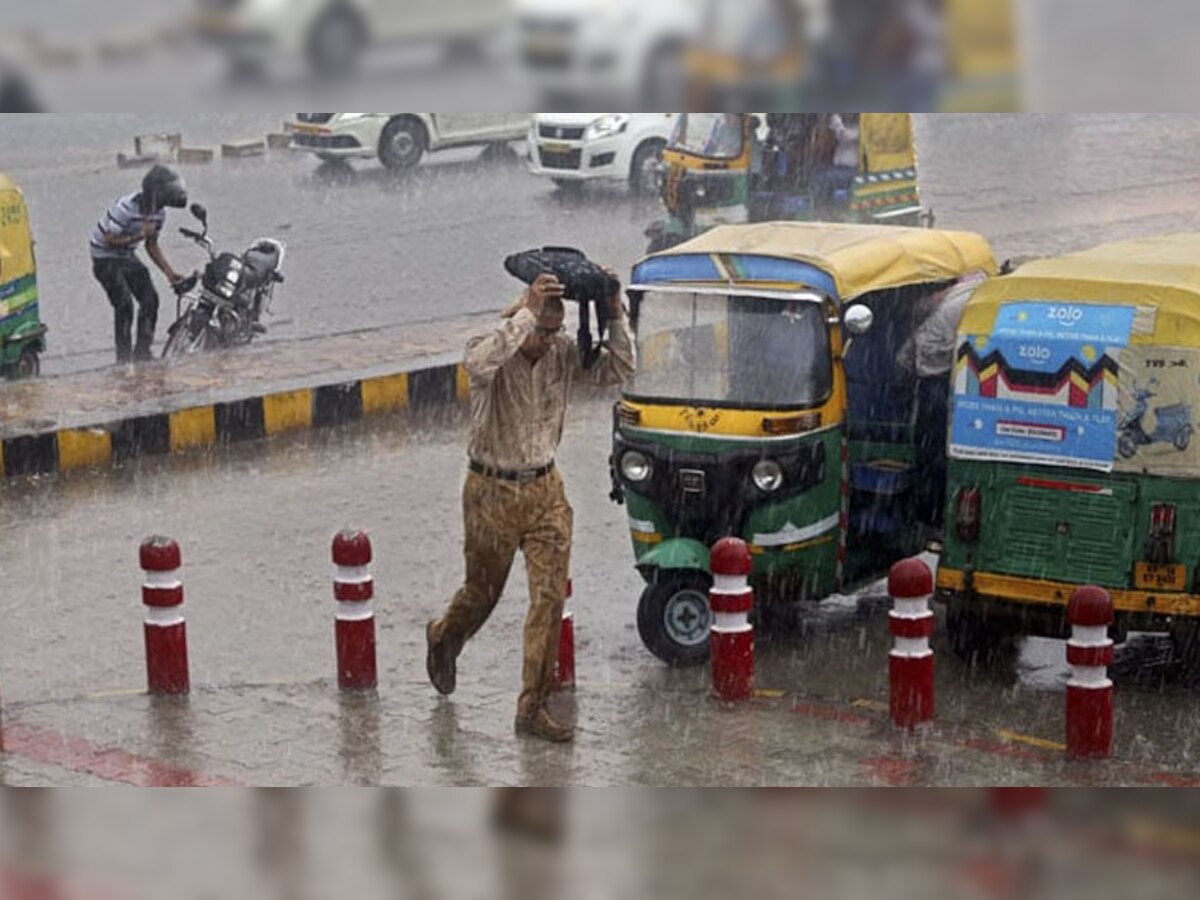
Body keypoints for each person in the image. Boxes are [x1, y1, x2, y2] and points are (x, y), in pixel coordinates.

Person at [426, 270, 636, 743]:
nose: (547, 341)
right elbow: (478, 366)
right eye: (541, 331)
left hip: (545, 488)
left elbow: (619, 369)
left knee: (548, 599)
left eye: (554, 331)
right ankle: (445, 635)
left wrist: (614, 310)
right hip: (491, 489)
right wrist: (527, 313)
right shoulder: (493, 346)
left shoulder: (562, 352)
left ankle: (531, 707)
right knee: (483, 593)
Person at [896, 270, 989, 529]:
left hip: (934, 372)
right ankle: (930, 513)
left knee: (930, 448)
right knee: (934, 449)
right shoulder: (977, 300)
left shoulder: (969, 289)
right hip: (935, 376)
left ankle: (927, 510)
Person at [89, 164, 188, 363]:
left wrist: (170, 273)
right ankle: (123, 359)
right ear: (156, 192)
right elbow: (109, 239)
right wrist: (139, 235)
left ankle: (143, 352)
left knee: (150, 299)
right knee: (124, 304)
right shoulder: (125, 208)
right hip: (104, 256)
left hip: (126, 255)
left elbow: (151, 245)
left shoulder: (159, 214)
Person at [811, 113, 860, 208]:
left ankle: (821, 208)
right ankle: (820, 203)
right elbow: (833, 129)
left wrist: (838, 125)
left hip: (851, 170)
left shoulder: (861, 128)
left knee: (824, 178)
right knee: (817, 171)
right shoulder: (845, 125)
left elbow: (845, 136)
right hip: (838, 168)